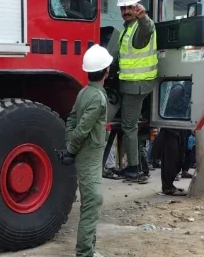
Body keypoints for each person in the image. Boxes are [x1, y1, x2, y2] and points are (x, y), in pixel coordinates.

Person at [59, 44, 113, 257]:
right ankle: (84, 253)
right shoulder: (98, 97)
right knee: (93, 201)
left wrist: (69, 145)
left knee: (92, 200)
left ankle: (89, 248)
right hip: (90, 155)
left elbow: (72, 120)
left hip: (88, 154)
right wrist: (71, 149)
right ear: (106, 70)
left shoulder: (84, 92)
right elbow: (82, 128)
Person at [115, 0, 157, 183]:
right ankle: (141, 167)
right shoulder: (128, 28)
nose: (126, 11)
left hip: (136, 85)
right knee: (134, 127)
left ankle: (133, 169)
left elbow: (148, 29)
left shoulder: (139, 27)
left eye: (129, 7)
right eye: (123, 8)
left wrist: (143, 17)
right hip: (134, 83)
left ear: (137, 7)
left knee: (129, 126)